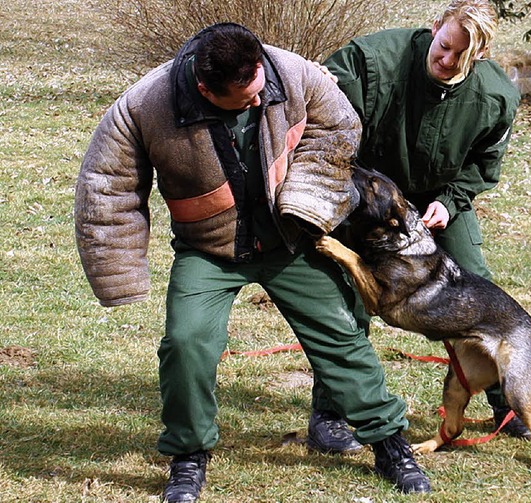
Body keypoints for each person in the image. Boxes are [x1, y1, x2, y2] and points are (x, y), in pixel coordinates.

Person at [74, 23, 432, 502]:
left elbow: (339, 128)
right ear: (204, 89)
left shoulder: (292, 73)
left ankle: (390, 445)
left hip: (291, 240)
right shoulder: (145, 106)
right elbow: (108, 185)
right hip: (209, 250)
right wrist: (119, 271)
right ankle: (188, 457)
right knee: (185, 343)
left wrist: (307, 202)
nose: (256, 102)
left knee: (344, 338)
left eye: (259, 88)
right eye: (242, 99)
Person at [306, 0, 531, 454]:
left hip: (438, 200)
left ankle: (506, 402)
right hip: (368, 198)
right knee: (350, 297)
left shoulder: (496, 97)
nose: (446, 62)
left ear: (481, 57)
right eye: (444, 46)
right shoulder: (374, 60)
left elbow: (484, 165)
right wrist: (317, 81)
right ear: (436, 27)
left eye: (461, 58)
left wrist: (449, 203)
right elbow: (317, 89)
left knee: (476, 285)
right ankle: (330, 415)